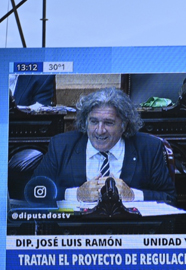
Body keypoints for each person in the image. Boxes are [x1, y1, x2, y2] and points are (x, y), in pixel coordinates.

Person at [32, 87, 176, 203]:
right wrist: (76, 194)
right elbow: (35, 190)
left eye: (108, 123)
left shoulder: (149, 148)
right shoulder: (61, 146)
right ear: (86, 121)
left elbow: (169, 198)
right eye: (94, 122)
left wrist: (133, 195)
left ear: (124, 125)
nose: (100, 131)